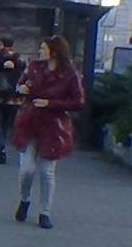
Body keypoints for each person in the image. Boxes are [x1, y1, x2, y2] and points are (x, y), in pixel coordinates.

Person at [11, 36, 84, 230]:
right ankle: (24, 199)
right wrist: (22, 88)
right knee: (27, 169)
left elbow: (78, 102)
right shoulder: (34, 67)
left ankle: (45, 212)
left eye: (43, 48)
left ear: (54, 51)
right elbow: (19, 85)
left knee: (46, 172)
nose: (39, 51)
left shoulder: (69, 73)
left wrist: (50, 103)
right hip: (29, 122)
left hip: (54, 127)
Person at [0, 36, 25, 164]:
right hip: (14, 97)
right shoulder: (19, 58)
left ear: (0, 43)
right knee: (6, 124)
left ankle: (0, 148)